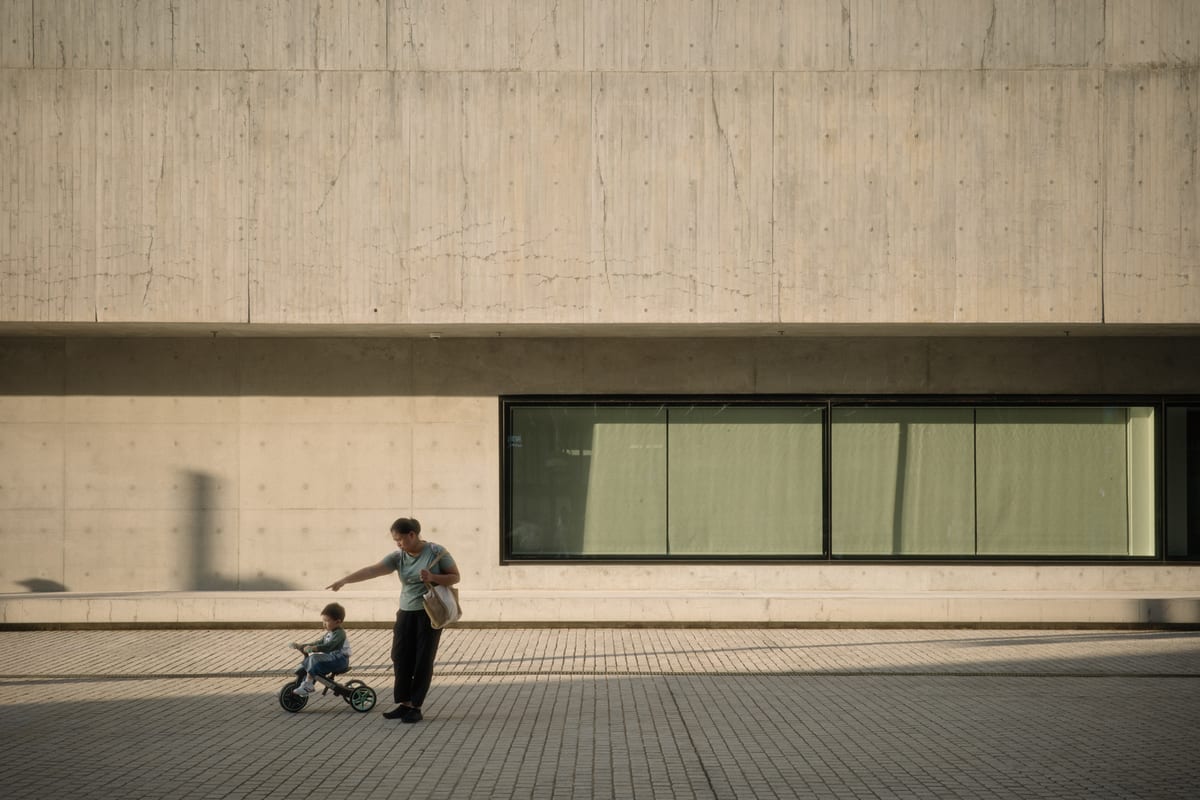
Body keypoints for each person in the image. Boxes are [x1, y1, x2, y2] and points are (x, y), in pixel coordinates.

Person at [326, 517, 459, 723]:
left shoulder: (435, 551)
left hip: (429, 614)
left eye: (400, 539)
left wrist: (433, 578)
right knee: (399, 656)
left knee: (422, 660)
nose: (398, 543)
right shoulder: (399, 556)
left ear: (412, 535)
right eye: (395, 540)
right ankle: (404, 703)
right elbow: (373, 570)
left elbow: (455, 576)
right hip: (405, 613)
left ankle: (416, 706)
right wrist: (344, 580)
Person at [290, 602, 351, 697]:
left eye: (327, 621)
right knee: (311, 661)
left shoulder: (339, 634)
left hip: (340, 660)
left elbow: (329, 646)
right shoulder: (329, 633)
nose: (324, 624)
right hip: (332, 659)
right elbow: (319, 642)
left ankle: (308, 685)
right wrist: (302, 646)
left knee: (314, 658)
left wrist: (314, 648)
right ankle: (302, 684)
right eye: (323, 621)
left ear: (338, 621)